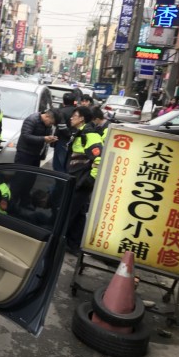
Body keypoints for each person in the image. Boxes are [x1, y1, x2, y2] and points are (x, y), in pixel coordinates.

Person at [65, 106, 104, 256]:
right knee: (79, 214)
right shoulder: (80, 133)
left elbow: (99, 159)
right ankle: (73, 244)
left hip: (82, 182)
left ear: (81, 118)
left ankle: (61, 242)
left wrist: (90, 179)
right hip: (77, 179)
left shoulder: (90, 135)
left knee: (69, 212)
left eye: (74, 115)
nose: (71, 118)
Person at [52, 93, 77, 172]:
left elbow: (61, 127)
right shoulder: (77, 112)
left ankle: (59, 183)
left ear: (63, 102)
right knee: (67, 164)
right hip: (74, 141)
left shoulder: (61, 112)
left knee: (59, 165)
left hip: (62, 140)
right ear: (74, 102)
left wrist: (69, 135)